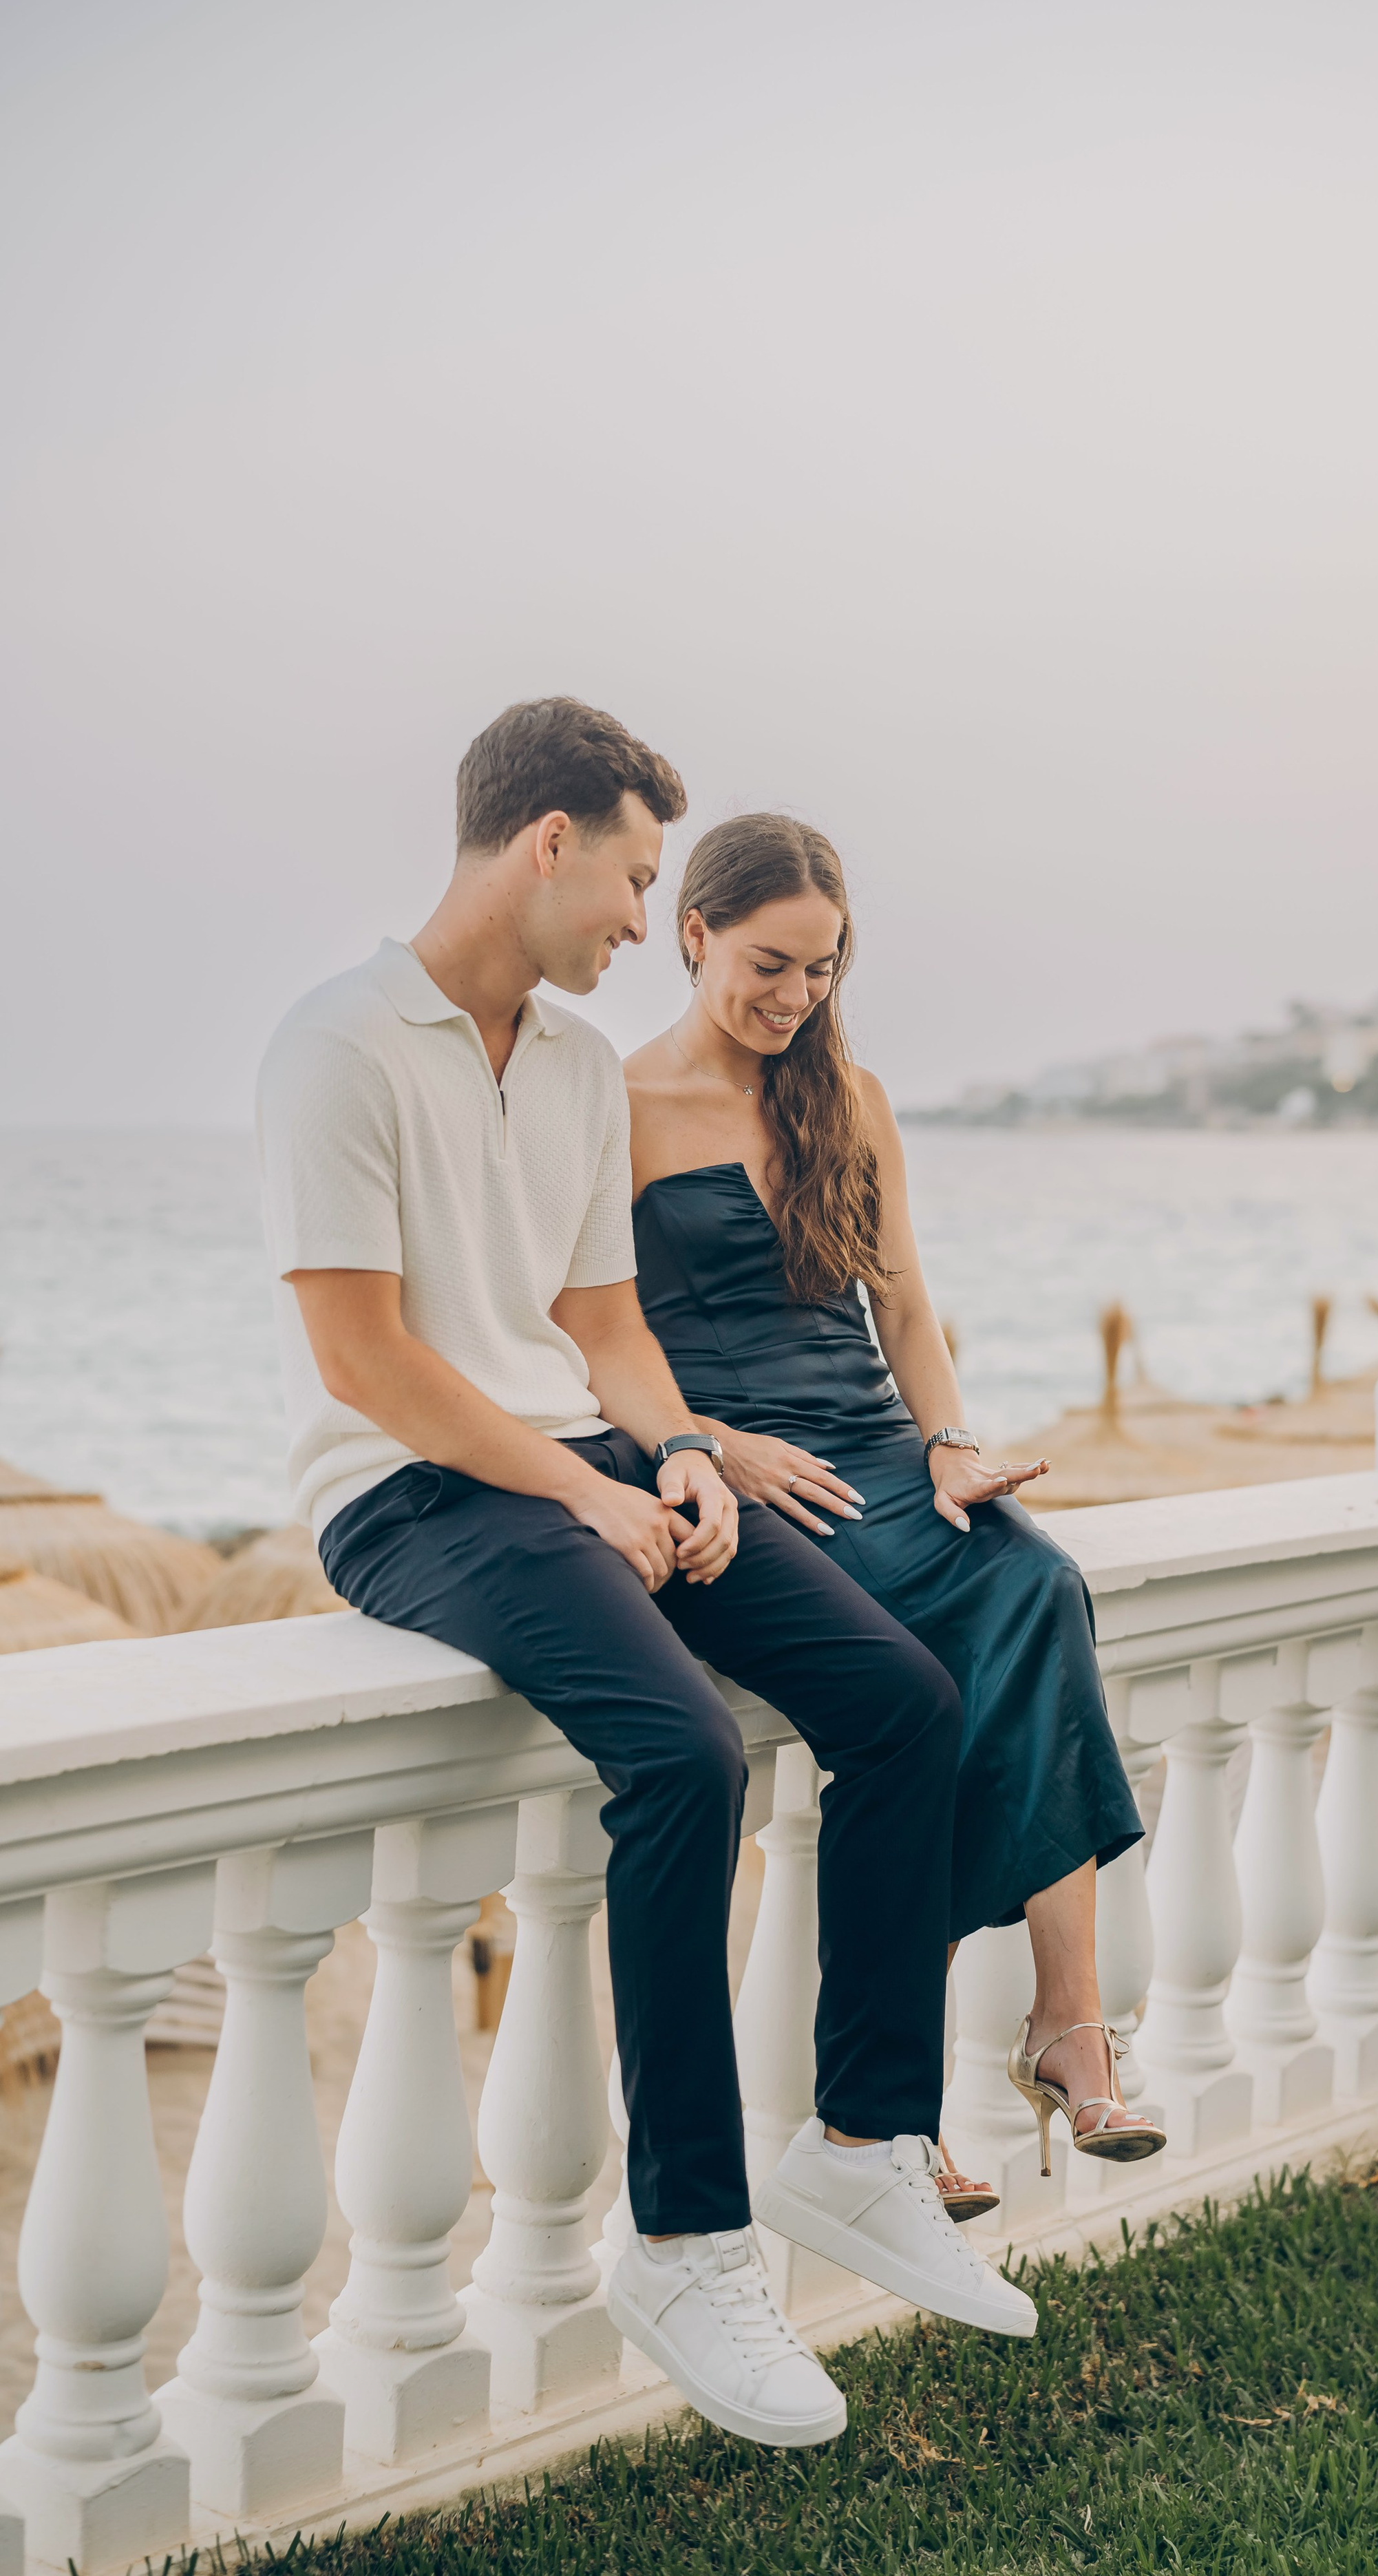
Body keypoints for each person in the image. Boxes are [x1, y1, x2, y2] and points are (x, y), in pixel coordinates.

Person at [255, 701, 1035, 2454]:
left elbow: (600, 1324)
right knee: (683, 1753)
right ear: (545, 841)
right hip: (414, 1496)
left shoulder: (574, 1070)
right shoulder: (338, 1048)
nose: (636, 919)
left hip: (586, 1463)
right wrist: (585, 1493)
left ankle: (860, 2147)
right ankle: (684, 2243)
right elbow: (366, 1363)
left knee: (903, 1705)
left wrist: (673, 1451)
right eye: (624, 878)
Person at [624, 813, 1166, 2208]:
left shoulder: (845, 1098)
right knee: (914, 1700)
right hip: (738, 1462)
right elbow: (582, 1330)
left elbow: (908, 1307)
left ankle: (1068, 2026)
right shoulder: (610, 1108)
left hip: (874, 1444)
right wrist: (710, 1443)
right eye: (767, 963)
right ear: (690, 935)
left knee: (1033, 1585)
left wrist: (950, 1446)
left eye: (821, 966)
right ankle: (895, 2117)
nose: (795, 996)